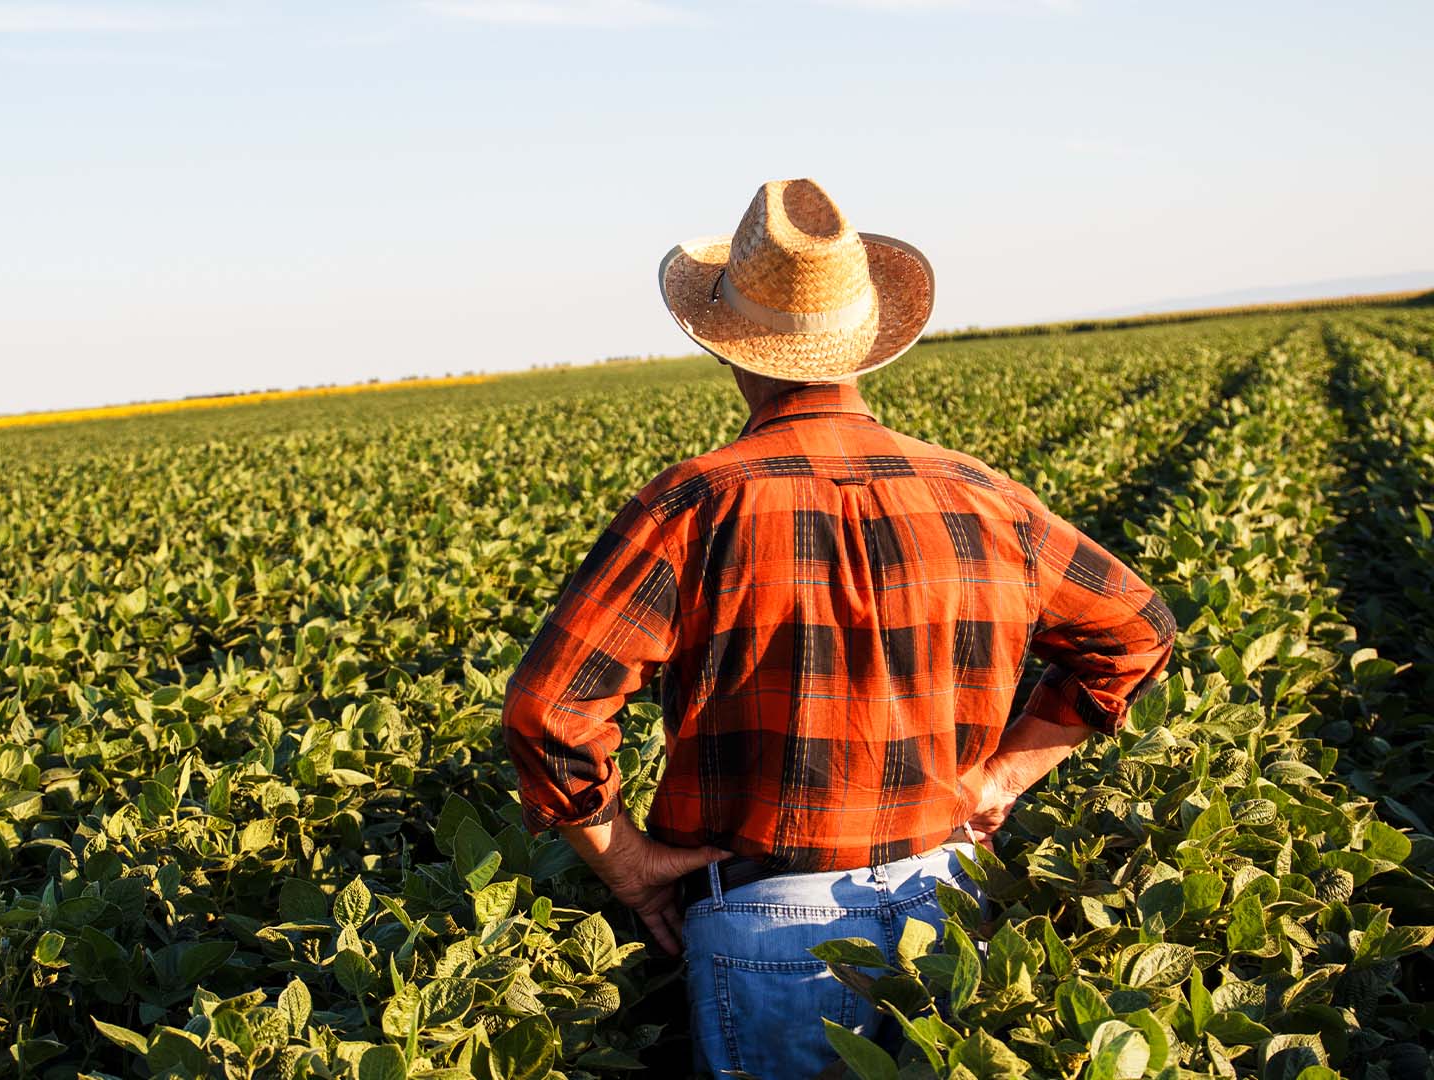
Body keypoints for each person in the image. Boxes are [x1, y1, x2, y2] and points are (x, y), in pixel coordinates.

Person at [501, 179, 1175, 1078]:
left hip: (768, 925)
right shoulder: (983, 495)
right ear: (866, 348)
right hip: (948, 900)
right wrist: (1004, 772)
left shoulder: (696, 503)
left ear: (730, 351)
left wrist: (621, 858)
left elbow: (550, 711)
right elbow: (1138, 632)